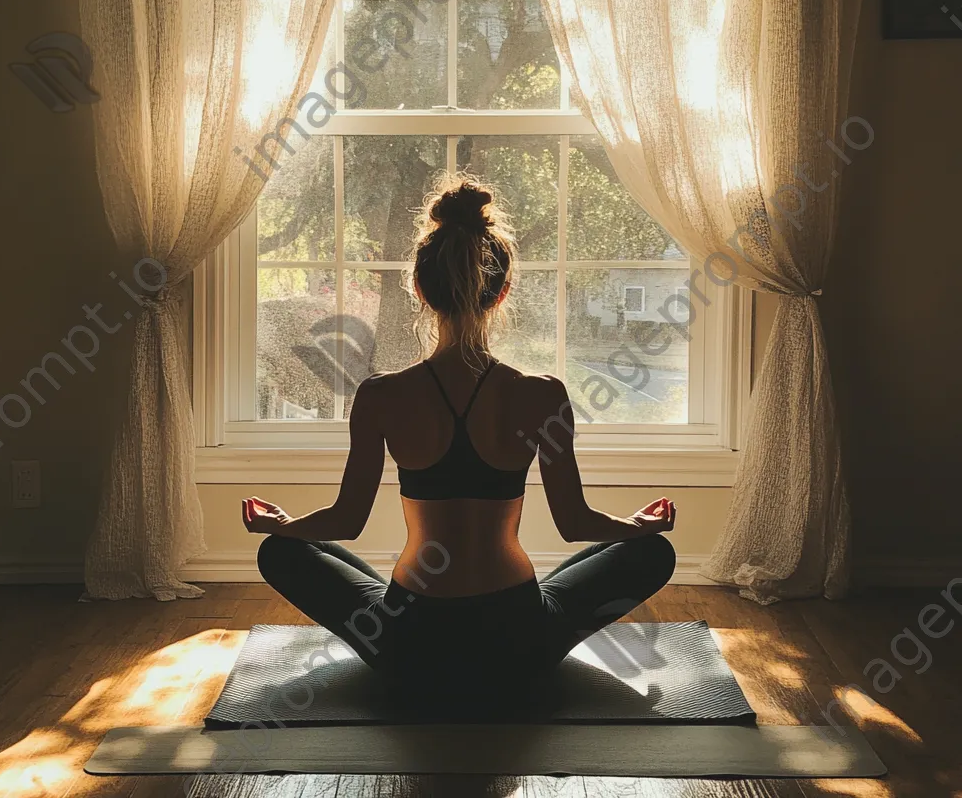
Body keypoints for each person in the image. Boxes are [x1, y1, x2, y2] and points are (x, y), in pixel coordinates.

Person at [244, 176, 676, 710]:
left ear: (419, 291)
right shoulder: (542, 395)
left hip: (407, 644)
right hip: (519, 641)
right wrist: (637, 528)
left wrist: (281, 526)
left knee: (283, 552)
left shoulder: (381, 395)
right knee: (648, 552)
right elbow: (576, 525)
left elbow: (345, 521)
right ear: (503, 291)